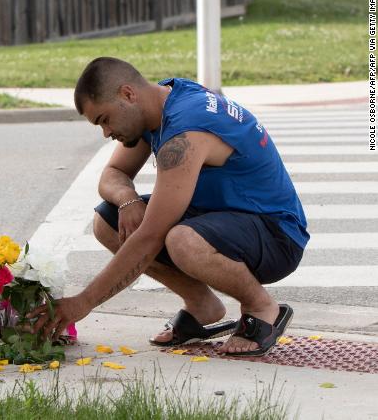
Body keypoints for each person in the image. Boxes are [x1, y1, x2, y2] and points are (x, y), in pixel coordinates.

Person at [29, 57, 308, 356]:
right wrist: (128, 200)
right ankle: (202, 306)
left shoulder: (184, 130)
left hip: (276, 233)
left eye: (105, 119)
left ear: (127, 94)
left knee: (181, 241)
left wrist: (82, 302)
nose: (106, 133)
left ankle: (262, 307)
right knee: (108, 221)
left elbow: (150, 237)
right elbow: (113, 175)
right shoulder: (158, 102)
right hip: (221, 217)